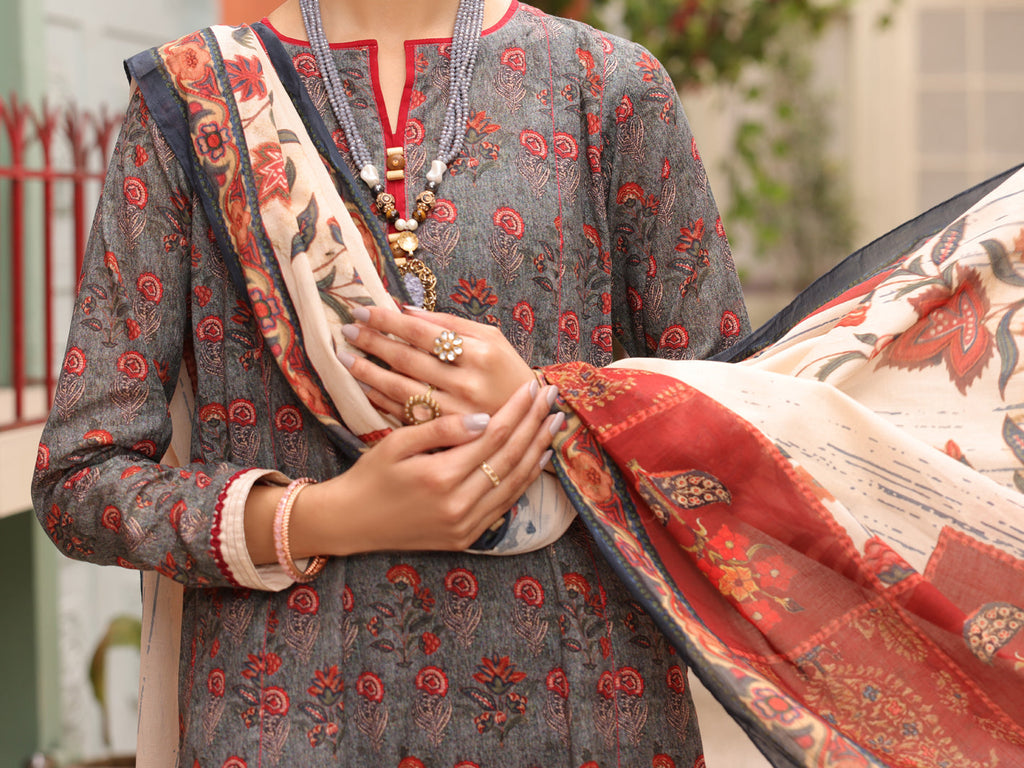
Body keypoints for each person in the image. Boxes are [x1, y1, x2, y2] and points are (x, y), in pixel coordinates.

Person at [32, 0, 748, 765]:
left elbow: (743, 450)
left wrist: (551, 405)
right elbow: (81, 479)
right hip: (283, 719)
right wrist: (324, 517)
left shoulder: (604, 88)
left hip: (582, 711)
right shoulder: (194, 100)